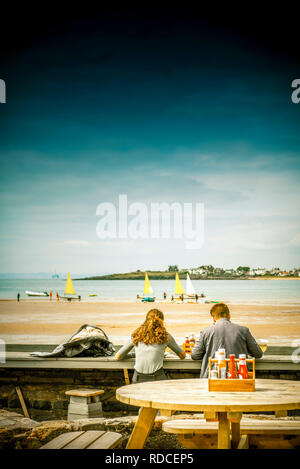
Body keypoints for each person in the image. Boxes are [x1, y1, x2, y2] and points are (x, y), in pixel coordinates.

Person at [191, 303, 263, 378]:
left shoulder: (205, 332)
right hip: (239, 377)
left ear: (213, 319)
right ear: (229, 316)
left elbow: (195, 355)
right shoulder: (243, 330)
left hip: (212, 377)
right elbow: (258, 354)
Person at [115, 309, 185, 383]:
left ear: (146, 320)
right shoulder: (165, 336)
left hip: (137, 379)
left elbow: (118, 356)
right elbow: (182, 355)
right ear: (162, 321)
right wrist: (160, 354)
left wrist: (134, 354)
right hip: (158, 379)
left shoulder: (137, 335)